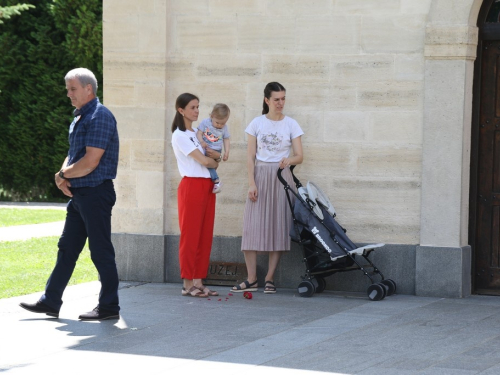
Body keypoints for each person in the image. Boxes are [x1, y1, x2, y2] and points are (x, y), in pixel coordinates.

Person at [20, 68, 121, 320]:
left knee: (100, 251)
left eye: (72, 89)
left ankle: (109, 307)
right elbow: (74, 154)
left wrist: (64, 175)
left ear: (89, 89)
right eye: (68, 89)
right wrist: (61, 172)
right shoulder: (79, 117)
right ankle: (50, 301)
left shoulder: (99, 115)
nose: (68, 94)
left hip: (96, 194)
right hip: (80, 196)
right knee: (67, 248)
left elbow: (90, 161)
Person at [232, 82, 304, 294]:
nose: (280, 103)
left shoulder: (291, 124)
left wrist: (289, 160)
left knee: (278, 228)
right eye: (276, 99)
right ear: (267, 100)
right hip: (260, 176)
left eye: (283, 99)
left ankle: (270, 278)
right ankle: (252, 278)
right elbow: (250, 156)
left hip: (282, 178)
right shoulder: (256, 123)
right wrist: (251, 183)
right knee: (251, 227)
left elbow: (300, 156)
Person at [171, 93, 222, 297]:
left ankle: (199, 281)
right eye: (193, 107)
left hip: (207, 186)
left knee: (204, 235)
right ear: (181, 110)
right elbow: (206, 161)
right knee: (190, 235)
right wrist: (214, 161)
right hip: (191, 185)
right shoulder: (179, 135)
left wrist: (215, 159)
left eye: (198, 107)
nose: (197, 111)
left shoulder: (197, 133)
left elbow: (215, 155)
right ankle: (187, 283)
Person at [196, 103, 231, 194]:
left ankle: (216, 181)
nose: (219, 125)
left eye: (222, 123)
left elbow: (226, 139)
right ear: (212, 116)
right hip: (206, 147)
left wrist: (226, 152)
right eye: (217, 122)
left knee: (209, 165)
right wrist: (202, 141)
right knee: (208, 165)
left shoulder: (225, 128)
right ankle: (213, 182)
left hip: (216, 149)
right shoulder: (205, 122)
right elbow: (199, 133)